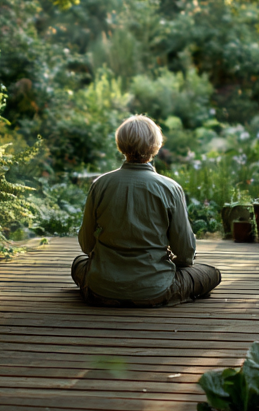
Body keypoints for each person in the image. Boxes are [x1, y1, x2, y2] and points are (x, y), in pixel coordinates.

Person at [73, 115, 222, 307]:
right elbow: (185, 252)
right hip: (155, 289)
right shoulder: (170, 188)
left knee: (78, 263)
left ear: (121, 145)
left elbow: (86, 245)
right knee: (211, 273)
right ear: (156, 146)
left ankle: (109, 289)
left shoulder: (100, 185)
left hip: (102, 288)